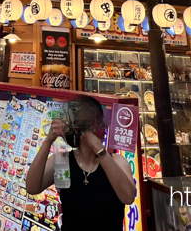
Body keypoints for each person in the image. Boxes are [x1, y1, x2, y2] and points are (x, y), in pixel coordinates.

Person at [26, 95, 136, 230]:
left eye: (100, 123)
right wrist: (48, 140)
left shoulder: (117, 161)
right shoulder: (63, 162)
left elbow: (128, 197)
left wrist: (100, 150)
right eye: (93, 124)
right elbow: (32, 187)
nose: (101, 129)